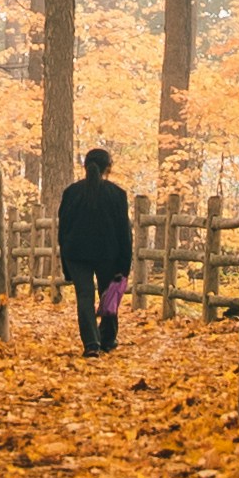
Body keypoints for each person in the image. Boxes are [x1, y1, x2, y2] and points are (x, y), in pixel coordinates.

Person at [55, 142, 134, 357]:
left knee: (84, 296)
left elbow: (63, 229)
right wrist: (124, 265)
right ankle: (108, 339)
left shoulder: (71, 192)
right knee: (108, 295)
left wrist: (66, 264)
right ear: (108, 167)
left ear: (86, 166)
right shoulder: (117, 194)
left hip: (76, 254)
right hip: (108, 253)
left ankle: (91, 344)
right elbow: (124, 233)